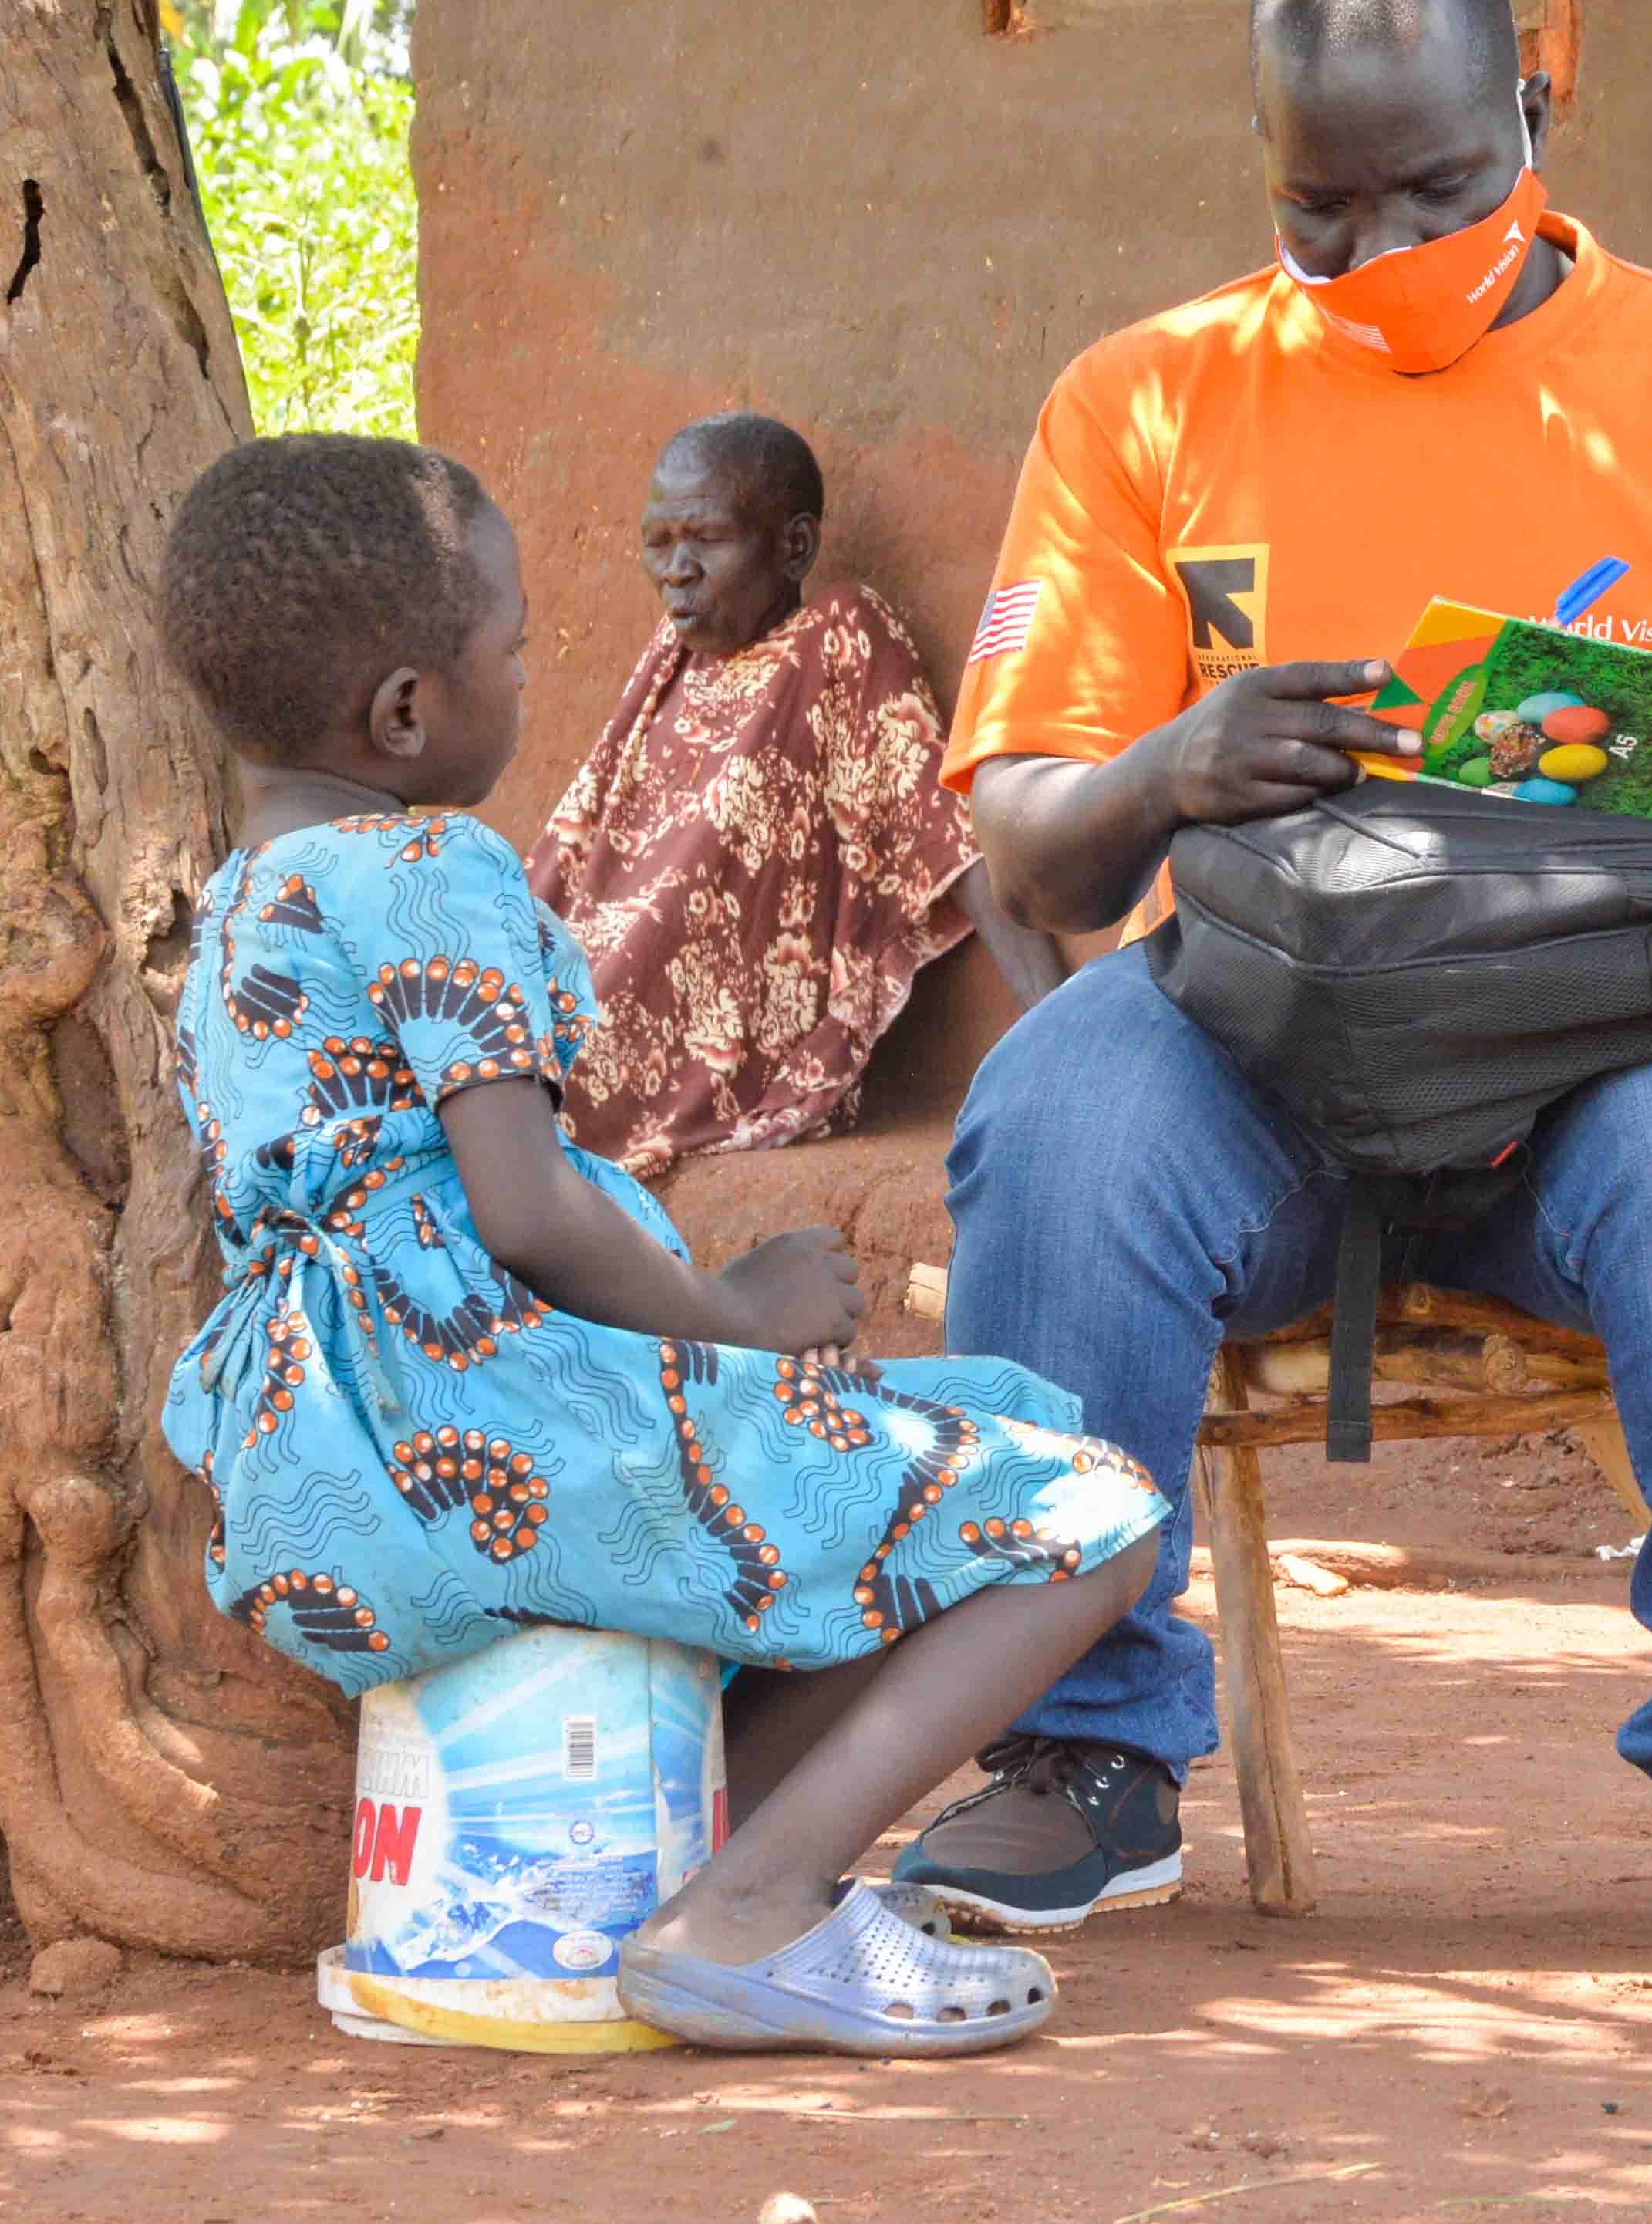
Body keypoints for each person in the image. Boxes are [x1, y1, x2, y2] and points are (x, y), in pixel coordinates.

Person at [918, 0, 1652, 1952]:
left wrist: (1592, 761)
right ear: (1259, 162)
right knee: (1062, 1115)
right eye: (1327, 208)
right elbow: (1031, 847)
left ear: (1538, 107)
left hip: (1613, 1058)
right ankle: (1082, 1743)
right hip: (1258, 1054)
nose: (1389, 249)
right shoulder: (1147, 403)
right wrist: (1175, 767)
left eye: (1443, 186)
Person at [150, 432, 1169, 2054]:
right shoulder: (428, 862)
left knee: (992, 1413)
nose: (531, 672)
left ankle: (681, 1880)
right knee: (1090, 1508)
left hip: (309, 1476)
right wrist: (732, 1312)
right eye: (515, 645)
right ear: (408, 710)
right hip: (482, 1434)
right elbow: (523, 1202)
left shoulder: (236, 908)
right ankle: (759, 1909)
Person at [524, 410, 1065, 1179]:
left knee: (500, 1114)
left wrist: (1065, 1029)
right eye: (658, 541)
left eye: (705, 539)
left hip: (694, 1042)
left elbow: (949, 837)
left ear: (794, 546)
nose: (676, 568)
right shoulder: (672, 655)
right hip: (589, 983)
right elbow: (576, 840)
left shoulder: (838, 638)